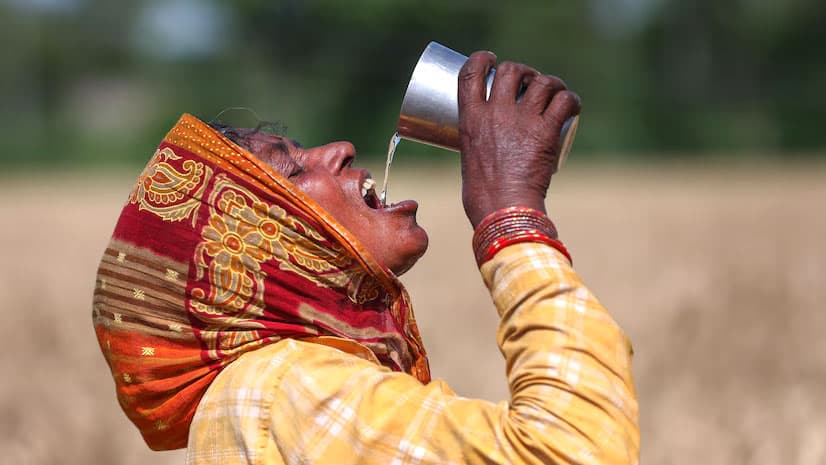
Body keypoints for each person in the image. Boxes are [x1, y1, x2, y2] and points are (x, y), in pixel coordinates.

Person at [93, 52, 639, 464]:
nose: (340, 149)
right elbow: (576, 449)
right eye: (295, 170)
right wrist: (511, 214)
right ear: (261, 245)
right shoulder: (286, 389)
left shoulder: (263, 389)